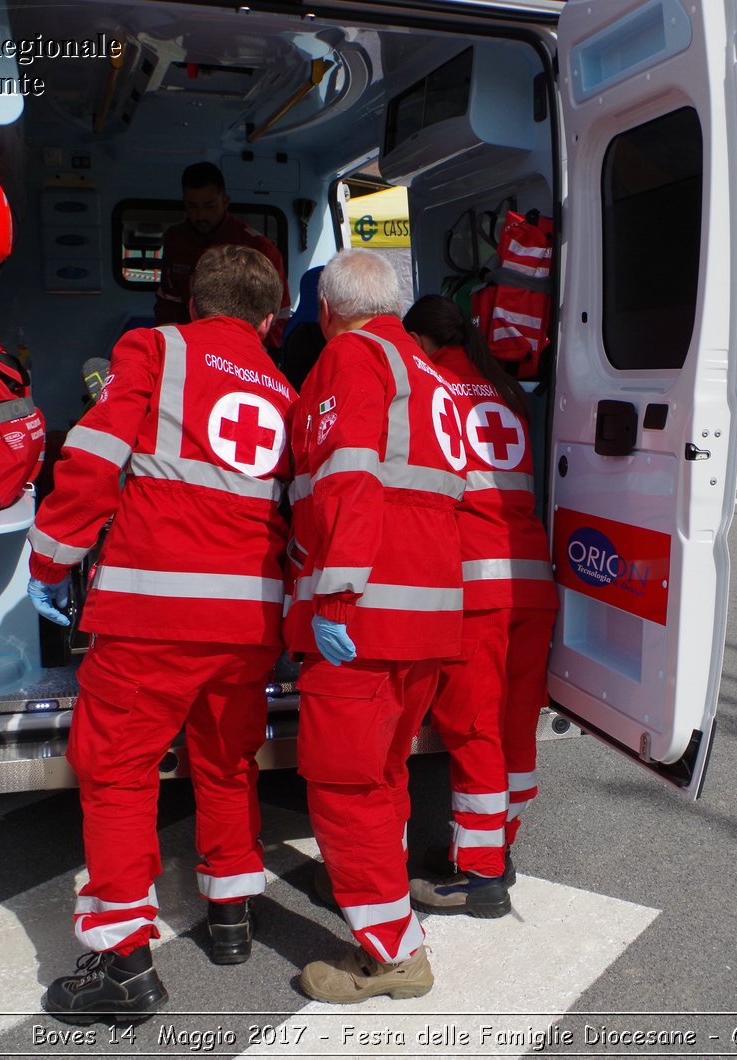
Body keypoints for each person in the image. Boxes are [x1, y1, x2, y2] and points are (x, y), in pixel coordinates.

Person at [27, 246, 294, 1022]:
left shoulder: (156, 348)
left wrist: (50, 555)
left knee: (117, 774)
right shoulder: (285, 387)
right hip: (250, 621)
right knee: (228, 761)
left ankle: (125, 965)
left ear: (190, 303)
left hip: (153, 614)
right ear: (270, 321)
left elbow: (96, 454)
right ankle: (232, 916)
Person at [285, 250, 465, 1004]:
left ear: (326, 312)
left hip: (366, 614)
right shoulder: (430, 374)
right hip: (427, 615)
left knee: (343, 782)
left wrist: (335, 595)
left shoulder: (351, 360)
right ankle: (378, 898)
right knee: (385, 776)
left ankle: (393, 954)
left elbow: (348, 480)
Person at [400, 294, 557, 919]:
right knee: (515, 724)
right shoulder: (504, 392)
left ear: (422, 340)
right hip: (531, 582)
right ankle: (500, 846)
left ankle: (482, 876)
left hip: (476, 585)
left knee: (472, 728)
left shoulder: (433, 390)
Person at [155, 162, 290, 327]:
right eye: (192, 207)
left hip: (242, 346)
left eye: (209, 206)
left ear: (225, 202)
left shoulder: (258, 247)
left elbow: (279, 317)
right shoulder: (176, 240)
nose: (201, 215)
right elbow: (168, 303)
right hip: (187, 343)